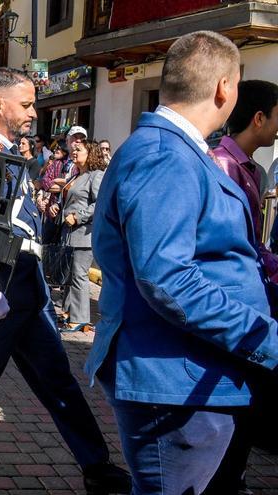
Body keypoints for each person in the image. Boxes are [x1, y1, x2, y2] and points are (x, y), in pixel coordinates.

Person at [86, 31, 278, 494]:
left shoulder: (176, 149)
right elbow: (167, 278)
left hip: (191, 371)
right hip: (173, 377)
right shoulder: (164, 154)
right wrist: (265, 338)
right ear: (224, 89)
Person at [0, 68, 130, 495]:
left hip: (29, 290)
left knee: (58, 380)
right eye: (25, 104)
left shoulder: (8, 155)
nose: (32, 112)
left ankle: (96, 465)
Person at [204, 79, 278, 495]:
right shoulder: (220, 166)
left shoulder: (253, 168)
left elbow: (252, 241)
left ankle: (234, 472)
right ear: (259, 117)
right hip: (230, 301)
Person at [49, 140, 106, 332]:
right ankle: (67, 312)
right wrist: (59, 207)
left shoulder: (95, 176)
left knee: (79, 276)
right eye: (73, 150)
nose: (74, 152)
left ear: (90, 153)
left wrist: (78, 216)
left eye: (78, 150)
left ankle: (81, 318)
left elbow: (100, 203)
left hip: (83, 234)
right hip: (68, 233)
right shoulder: (76, 175)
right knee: (69, 274)